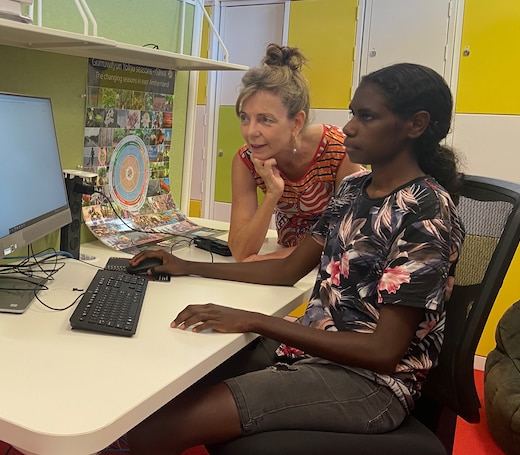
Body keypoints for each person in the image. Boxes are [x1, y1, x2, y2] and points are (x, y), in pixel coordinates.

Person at [125, 63, 465, 455]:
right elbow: (288, 268)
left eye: (366, 116)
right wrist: (188, 266)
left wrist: (255, 321)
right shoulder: (355, 188)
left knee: (158, 427)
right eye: (353, 113)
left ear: (416, 125)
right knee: (162, 387)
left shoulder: (426, 210)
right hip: (315, 353)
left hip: (370, 384)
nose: (350, 126)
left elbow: (382, 351)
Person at [229, 43, 363, 262]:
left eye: (265, 119)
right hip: (291, 261)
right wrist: (273, 194)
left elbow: (347, 239)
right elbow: (241, 252)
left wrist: (272, 260)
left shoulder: (340, 150)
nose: (250, 132)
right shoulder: (246, 160)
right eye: (245, 117)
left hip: (333, 268)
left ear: (296, 122)